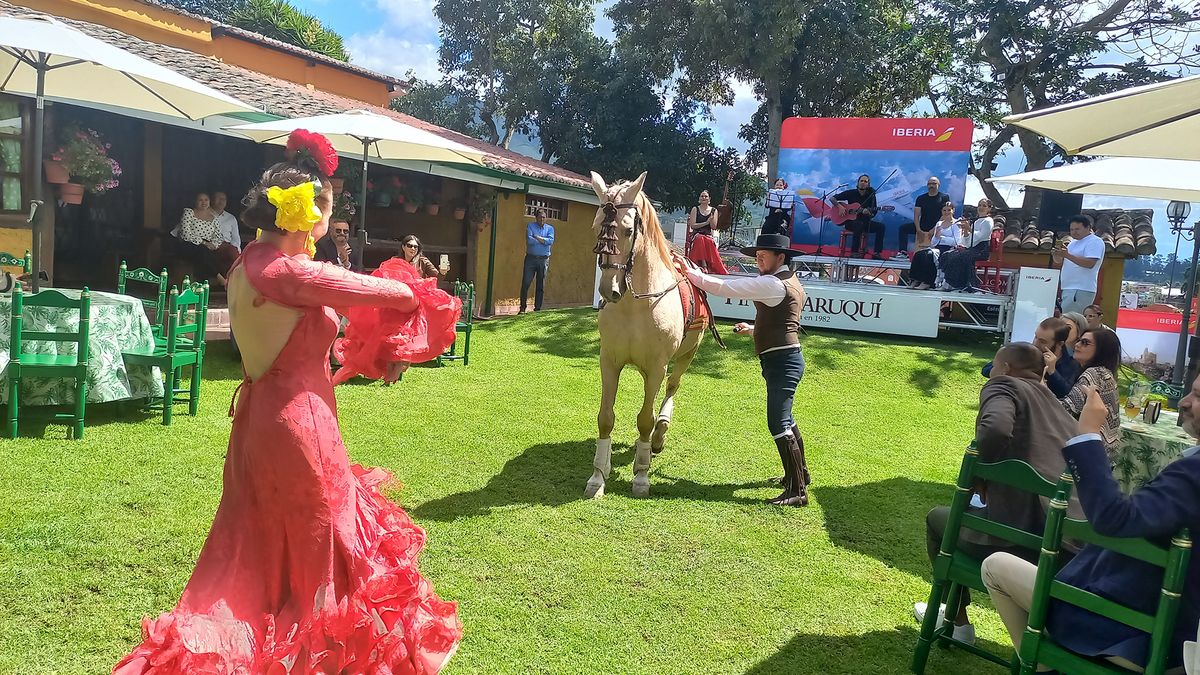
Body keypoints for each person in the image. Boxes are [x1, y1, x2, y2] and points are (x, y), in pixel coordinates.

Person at [113, 130, 462, 673]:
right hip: (301, 425)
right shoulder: (292, 272)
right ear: (304, 217)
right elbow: (390, 293)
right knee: (321, 539)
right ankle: (319, 652)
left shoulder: (247, 259)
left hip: (257, 422)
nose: (328, 220)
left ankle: (263, 637)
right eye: (325, 210)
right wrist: (411, 289)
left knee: (257, 541)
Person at [982, 378, 1200, 673]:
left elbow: (1114, 517)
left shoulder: (1193, 474)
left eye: (1198, 396)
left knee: (995, 566)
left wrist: (1087, 434)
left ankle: (1040, 665)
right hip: (1177, 637)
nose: (1185, 401)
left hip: (1128, 632)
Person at [916, 342, 1081, 644]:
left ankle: (958, 624)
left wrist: (981, 474)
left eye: (993, 364)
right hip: (1072, 548)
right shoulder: (1057, 405)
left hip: (1021, 538)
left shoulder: (1004, 385)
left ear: (1004, 367)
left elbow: (994, 429)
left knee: (937, 520)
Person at [684, 233, 810, 506]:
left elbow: (723, 287)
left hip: (782, 361)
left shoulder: (773, 283)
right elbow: (785, 321)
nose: (758, 258)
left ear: (781, 257)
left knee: (778, 423)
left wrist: (689, 271)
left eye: (764, 254)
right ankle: (800, 476)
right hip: (784, 359)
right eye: (757, 254)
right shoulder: (788, 282)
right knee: (786, 419)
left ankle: (797, 491)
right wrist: (754, 329)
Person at [1060, 326, 1122, 454]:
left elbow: (1066, 409)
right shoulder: (1105, 373)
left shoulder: (1094, 373)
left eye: (1085, 343)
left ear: (1101, 350)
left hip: (1091, 451)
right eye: (1079, 340)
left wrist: (1039, 391)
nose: (1077, 345)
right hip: (1105, 451)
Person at [173, 192, 239, 286]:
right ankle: (220, 279)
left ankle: (228, 282)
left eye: (206, 200)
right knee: (202, 251)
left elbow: (218, 236)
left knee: (211, 254)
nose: (203, 202)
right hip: (188, 244)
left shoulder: (213, 217)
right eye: (200, 200)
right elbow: (185, 235)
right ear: (195, 201)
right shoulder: (188, 213)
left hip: (207, 246)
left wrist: (214, 245)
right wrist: (203, 242)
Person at [939, 199, 994, 292]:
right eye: (979, 205)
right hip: (972, 248)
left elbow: (981, 236)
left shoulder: (988, 221)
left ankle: (969, 284)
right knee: (948, 255)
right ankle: (949, 283)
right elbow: (969, 242)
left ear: (989, 209)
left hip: (981, 250)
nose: (981, 207)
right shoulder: (976, 221)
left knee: (963, 256)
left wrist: (969, 229)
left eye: (984, 206)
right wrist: (965, 231)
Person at [1053, 214, 1105, 313]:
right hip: (1069, 288)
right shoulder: (1073, 242)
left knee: (1071, 321)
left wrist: (1067, 255)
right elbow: (1060, 261)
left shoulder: (1094, 241)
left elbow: (1090, 263)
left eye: (1077, 229)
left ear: (1088, 228)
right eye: (1071, 229)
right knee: (1068, 320)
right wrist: (1058, 254)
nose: (1074, 232)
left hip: (1080, 289)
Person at [909, 203, 962, 290]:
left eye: (949, 210)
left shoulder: (956, 224)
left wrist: (942, 238)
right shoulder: (939, 223)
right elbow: (933, 242)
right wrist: (937, 237)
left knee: (928, 255)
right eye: (944, 210)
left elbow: (956, 241)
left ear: (953, 210)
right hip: (937, 247)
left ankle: (927, 282)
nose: (946, 212)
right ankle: (915, 279)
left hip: (948, 249)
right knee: (919, 254)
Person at [834, 175, 886, 259]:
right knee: (858, 224)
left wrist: (868, 213)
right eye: (861, 181)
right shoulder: (851, 193)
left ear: (868, 184)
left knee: (881, 227)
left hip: (865, 222)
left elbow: (873, 213)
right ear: (858, 183)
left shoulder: (871, 196)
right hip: (850, 222)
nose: (863, 183)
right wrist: (840, 207)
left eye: (865, 181)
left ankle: (877, 253)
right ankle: (854, 252)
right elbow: (832, 198)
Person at [897, 176, 950, 258]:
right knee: (903, 228)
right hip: (922, 225)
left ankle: (942, 257)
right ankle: (903, 253)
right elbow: (916, 215)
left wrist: (934, 229)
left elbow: (945, 215)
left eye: (934, 183)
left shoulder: (944, 197)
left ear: (938, 185)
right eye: (929, 184)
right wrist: (918, 230)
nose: (931, 185)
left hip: (937, 226)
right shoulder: (921, 198)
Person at [519, 209, 554, 313]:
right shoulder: (530, 226)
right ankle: (522, 308)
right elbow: (529, 241)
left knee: (540, 285)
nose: (542, 219)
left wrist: (537, 237)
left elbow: (550, 241)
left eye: (544, 217)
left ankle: (537, 309)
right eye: (540, 217)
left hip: (543, 260)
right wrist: (543, 240)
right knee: (525, 283)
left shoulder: (550, 228)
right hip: (531, 259)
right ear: (536, 218)